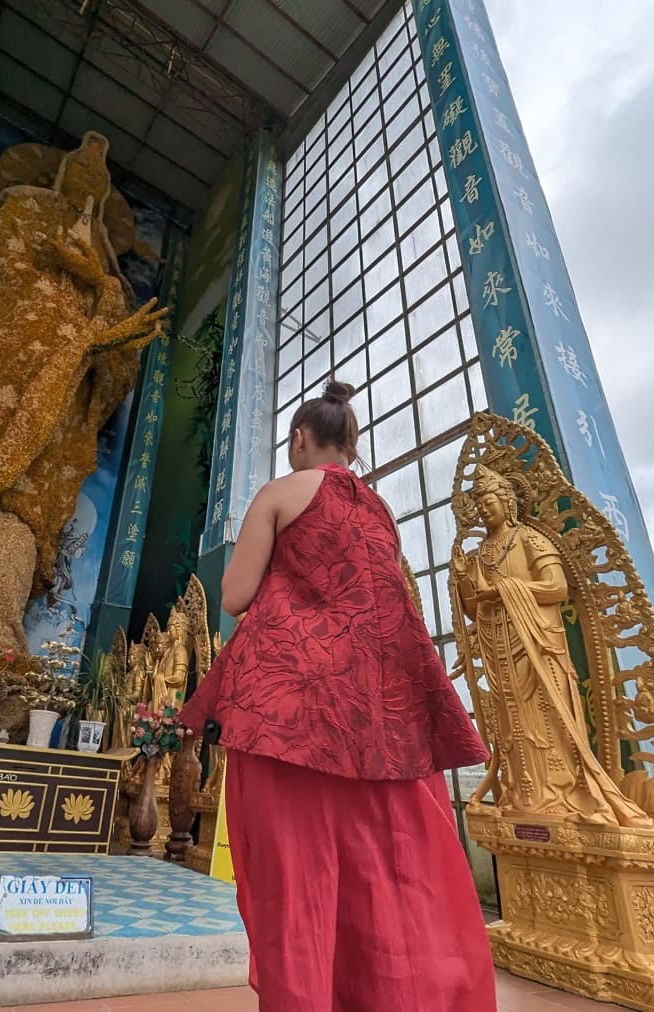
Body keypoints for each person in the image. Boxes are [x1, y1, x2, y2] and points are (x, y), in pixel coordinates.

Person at [181, 381, 497, 1011]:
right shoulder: (379, 512)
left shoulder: (279, 492)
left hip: (287, 709)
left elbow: (236, 596)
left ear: (300, 437)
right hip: (382, 715)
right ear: (350, 444)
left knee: (295, 880)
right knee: (387, 875)